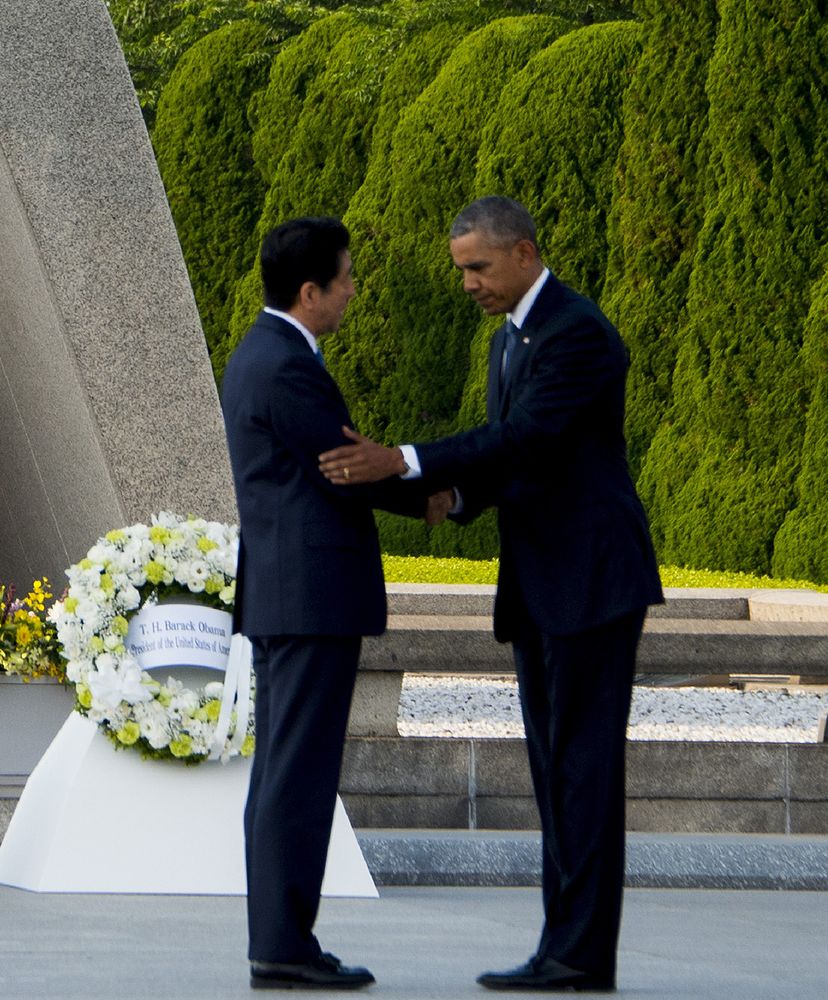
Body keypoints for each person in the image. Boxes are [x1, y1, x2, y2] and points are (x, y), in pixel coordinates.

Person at [318, 195, 663, 992]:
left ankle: (580, 956)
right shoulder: (507, 343)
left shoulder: (576, 331)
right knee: (555, 771)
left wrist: (403, 460)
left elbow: (526, 436)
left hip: (592, 583)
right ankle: (561, 949)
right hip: (543, 583)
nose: (468, 284)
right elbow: (517, 465)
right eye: (461, 270)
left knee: (583, 770)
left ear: (525, 254)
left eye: (478, 267)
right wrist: (456, 500)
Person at [221, 216, 451, 991]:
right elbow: (345, 466)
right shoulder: (287, 365)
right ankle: (283, 946)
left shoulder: (267, 354)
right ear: (310, 291)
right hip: (309, 596)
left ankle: (280, 939)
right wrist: (433, 493)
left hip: (290, 595)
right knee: (298, 773)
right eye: (346, 279)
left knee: (287, 770)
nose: (354, 290)